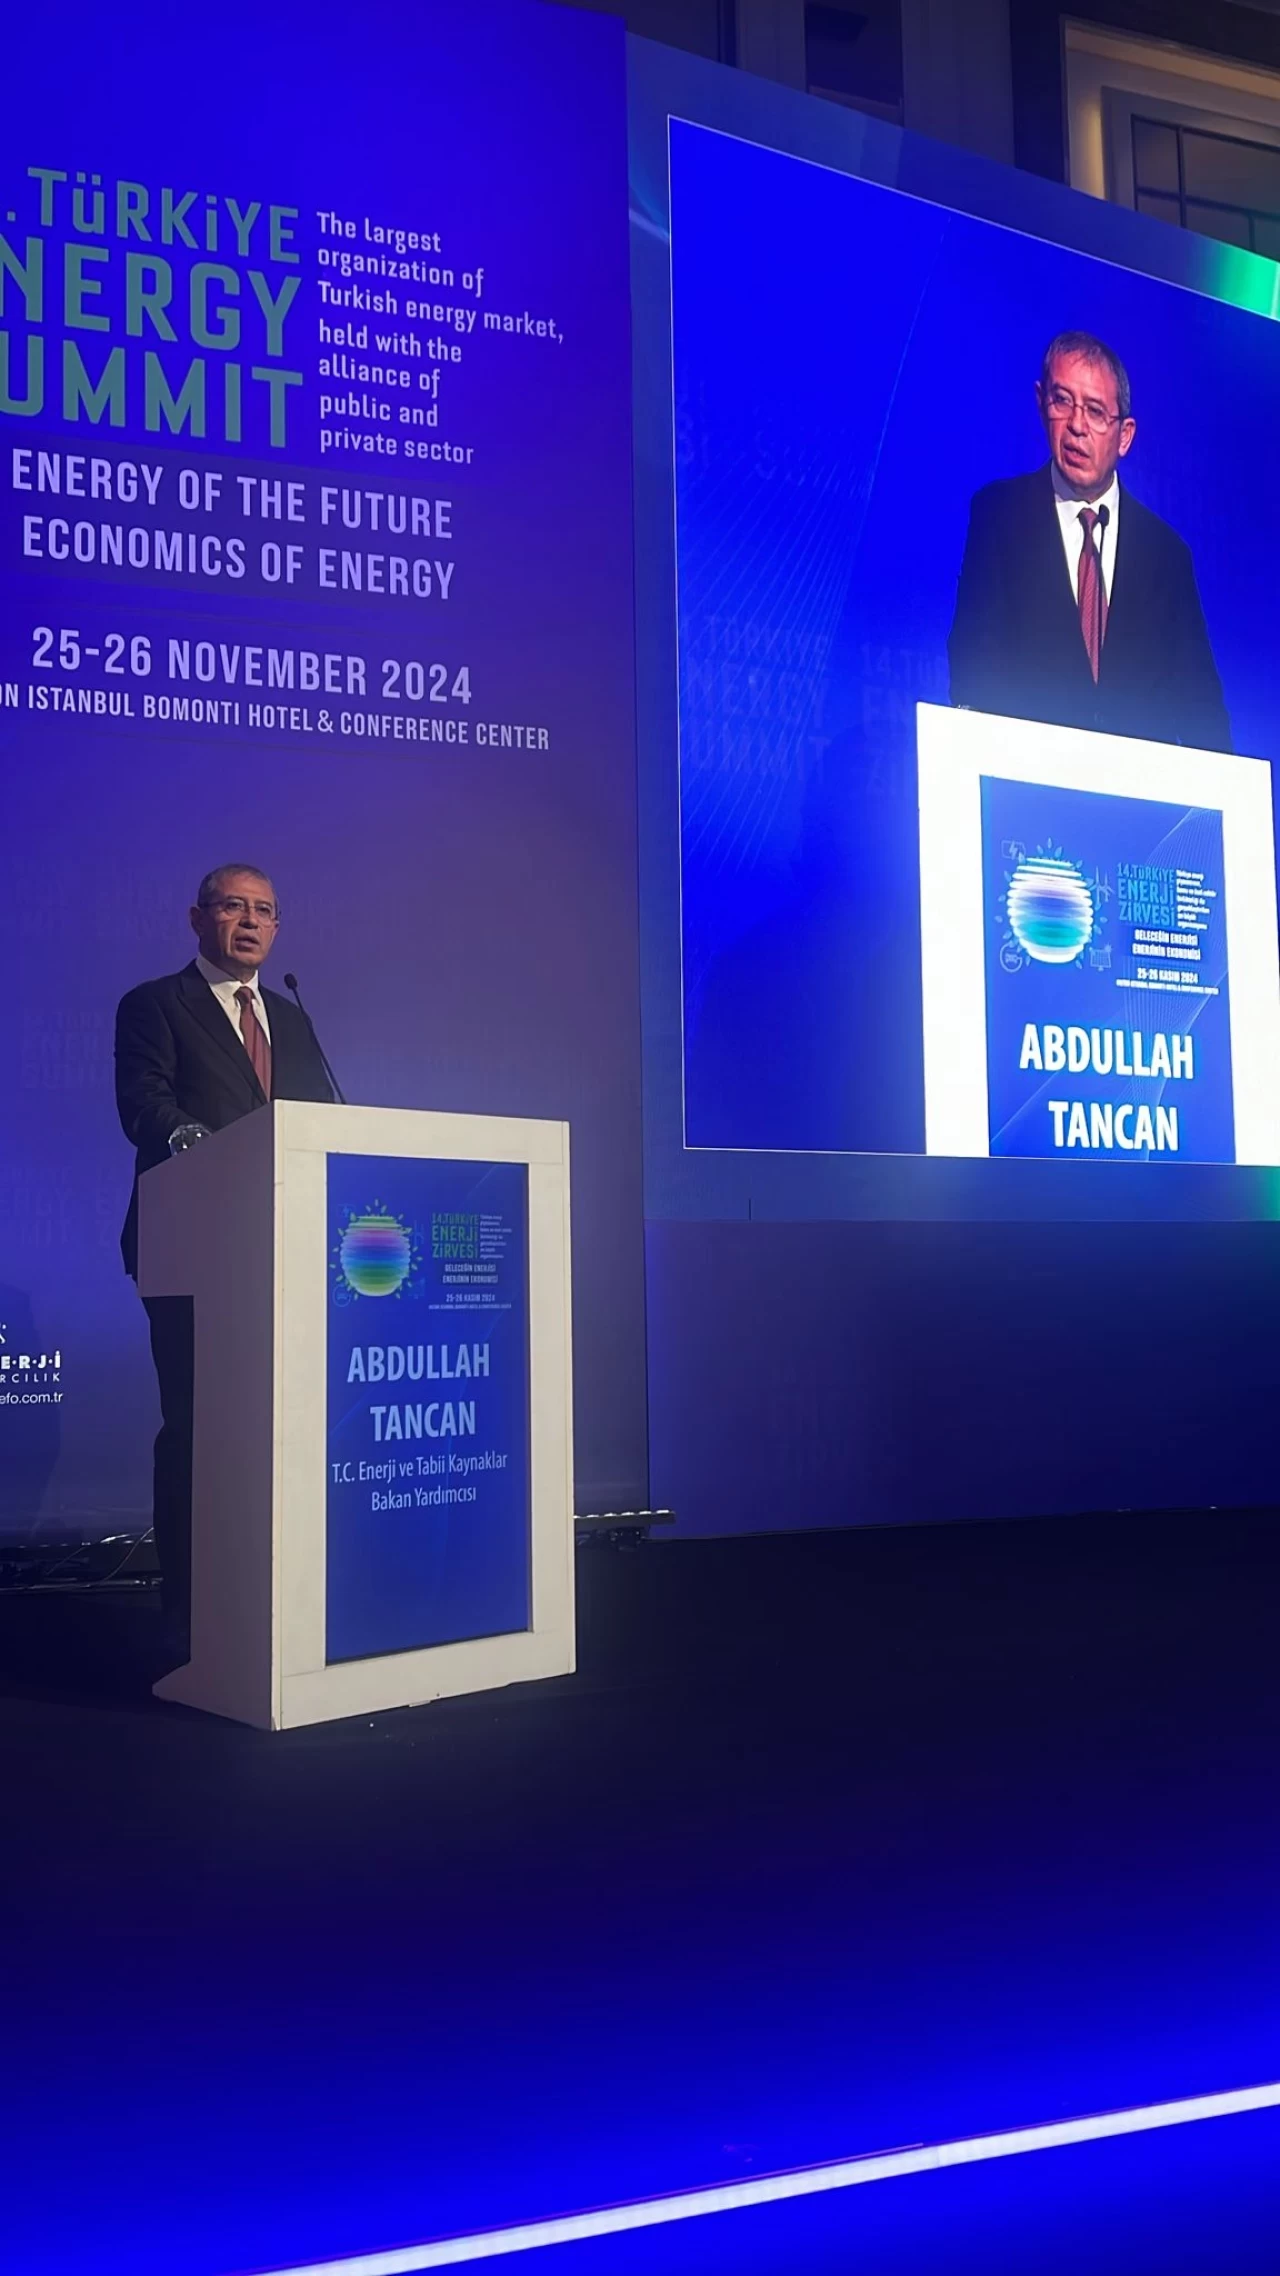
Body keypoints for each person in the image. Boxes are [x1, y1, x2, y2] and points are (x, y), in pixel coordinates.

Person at [114, 865, 334, 1652]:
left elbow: (317, 1120)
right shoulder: (155, 1004)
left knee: (285, 1430)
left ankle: (276, 1599)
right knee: (198, 1428)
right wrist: (194, 1141)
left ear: (276, 928)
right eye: (233, 907)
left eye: (263, 911)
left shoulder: (291, 1017)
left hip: (285, 1247)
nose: (249, 921)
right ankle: (191, 1613)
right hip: (192, 1242)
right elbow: (144, 1103)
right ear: (197, 918)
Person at [948, 330, 1231, 753]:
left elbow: (1202, 710)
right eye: (1062, 401)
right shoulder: (998, 516)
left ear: (1125, 435)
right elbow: (974, 666)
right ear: (1041, 403)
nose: (1077, 426)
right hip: (1026, 779)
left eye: (1096, 411)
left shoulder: (1167, 555)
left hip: (1139, 789)